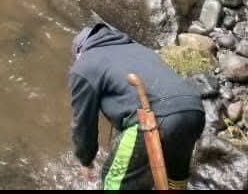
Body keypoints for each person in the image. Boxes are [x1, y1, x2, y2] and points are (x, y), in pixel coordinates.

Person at [69, 22, 205, 191]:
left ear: (79, 52)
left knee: (114, 182)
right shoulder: (136, 49)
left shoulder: (83, 66)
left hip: (153, 119)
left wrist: (85, 161)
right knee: (175, 176)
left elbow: (83, 123)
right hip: (194, 109)